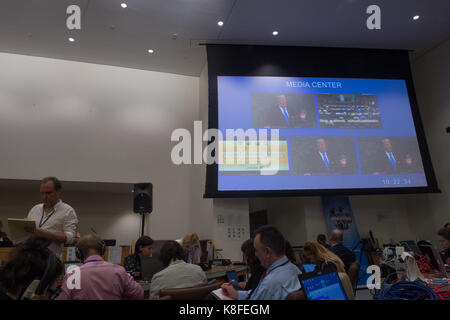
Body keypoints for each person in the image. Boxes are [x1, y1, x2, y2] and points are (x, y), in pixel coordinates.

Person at [221, 225, 301, 300]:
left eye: (256, 250)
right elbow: (258, 294)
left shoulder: (269, 284)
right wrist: (236, 294)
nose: (255, 254)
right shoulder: (294, 269)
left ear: (267, 252)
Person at [58, 234, 143, 300]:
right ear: (102, 250)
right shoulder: (118, 271)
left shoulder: (73, 275)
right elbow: (139, 294)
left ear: (78, 253)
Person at [26, 177, 78, 257]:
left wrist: (43, 233)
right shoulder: (35, 209)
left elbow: (69, 238)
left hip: (52, 259)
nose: (44, 197)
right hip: (31, 256)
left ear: (58, 191)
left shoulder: (68, 211)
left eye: (48, 193)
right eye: (42, 193)